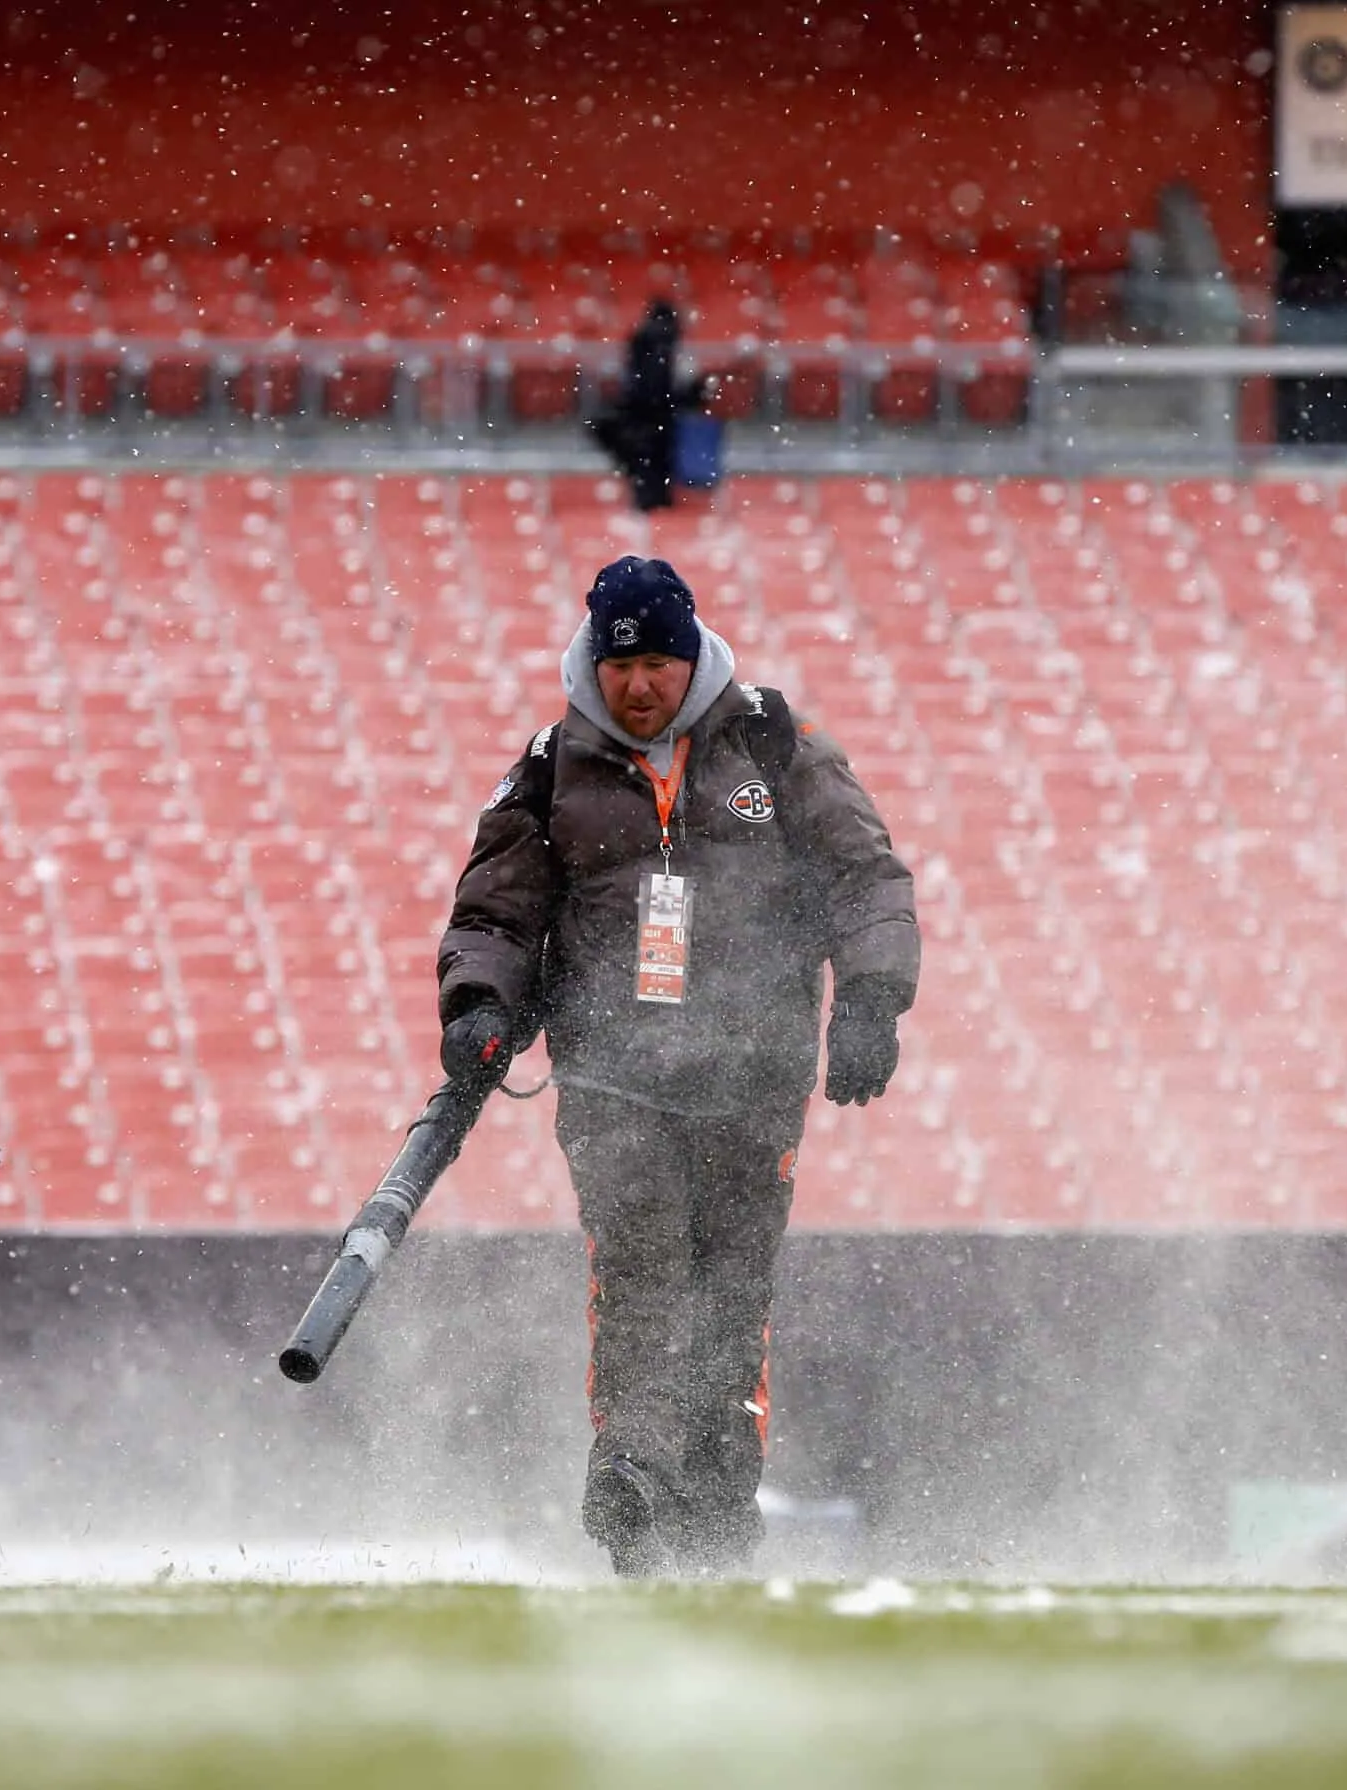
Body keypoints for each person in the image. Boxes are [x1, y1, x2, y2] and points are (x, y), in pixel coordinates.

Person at [436, 556, 919, 1577]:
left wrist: (871, 997)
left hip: (754, 1077)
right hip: (613, 1075)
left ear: (692, 651)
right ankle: (632, 1481)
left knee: (731, 1290)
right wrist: (478, 1005)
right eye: (622, 665)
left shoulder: (775, 744)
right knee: (645, 1268)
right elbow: (496, 910)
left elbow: (864, 873)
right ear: (591, 664)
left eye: (659, 660)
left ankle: (712, 1506)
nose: (641, 684)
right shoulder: (548, 767)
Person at [588, 299, 701, 513]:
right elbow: (656, 388)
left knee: (645, 468)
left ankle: (650, 501)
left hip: (644, 418)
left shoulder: (643, 343)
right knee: (653, 468)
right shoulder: (660, 345)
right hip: (653, 419)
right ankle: (654, 502)